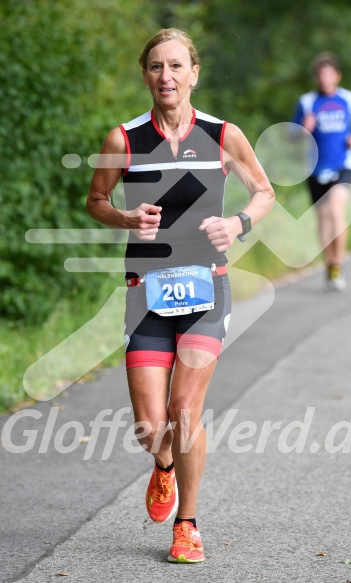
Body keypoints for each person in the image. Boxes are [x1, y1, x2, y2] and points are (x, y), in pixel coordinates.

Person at [86, 28, 274, 563]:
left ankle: (187, 525)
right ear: (145, 74)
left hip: (207, 287)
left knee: (184, 409)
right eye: (155, 67)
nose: (165, 77)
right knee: (152, 427)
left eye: (175, 66)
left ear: (194, 73)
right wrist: (124, 216)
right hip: (146, 290)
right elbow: (96, 200)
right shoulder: (123, 139)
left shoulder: (222, 135)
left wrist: (237, 224)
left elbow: (264, 192)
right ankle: (163, 463)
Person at [293, 52, 351, 290]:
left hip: (343, 164)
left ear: (337, 75)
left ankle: (339, 264)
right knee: (323, 218)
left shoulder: (350, 99)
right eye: (320, 75)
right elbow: (293, 136)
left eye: (329, 74)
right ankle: (330, 265)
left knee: (336, 211)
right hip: (315, 168)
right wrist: (304, 129)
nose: (325, 79)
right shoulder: (306, 102)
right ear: (317, 77)